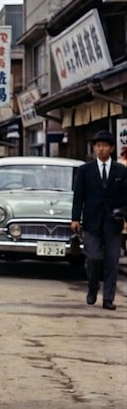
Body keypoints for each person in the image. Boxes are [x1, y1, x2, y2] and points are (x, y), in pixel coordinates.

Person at [71, 130, 127, 311]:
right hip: (91, 221)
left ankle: (108, 298)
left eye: (104, 146)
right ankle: (93, 287)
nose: (101, 149)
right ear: (94, 148)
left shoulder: (121, 171)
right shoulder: (85, 170)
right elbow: (78, 196)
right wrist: (75, 218)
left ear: (111, 149)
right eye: (98, 146)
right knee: (94, 258)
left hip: (113, 223)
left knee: (112, 261)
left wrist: (124, 214)